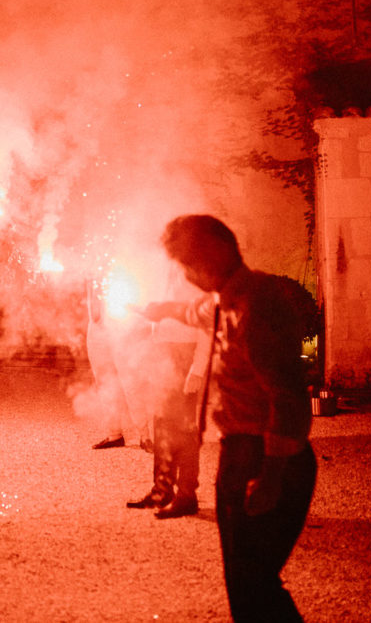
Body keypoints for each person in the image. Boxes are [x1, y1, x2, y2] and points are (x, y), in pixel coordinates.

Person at [142, 214, 316, 622]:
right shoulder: (226, 299)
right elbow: (200, 312)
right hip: (239, 452)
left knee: (253, 580)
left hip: (265, 456)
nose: (185, 274)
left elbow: (287, 396)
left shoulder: (258, 304)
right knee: (243, 580)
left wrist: (272, 473)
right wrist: (165, 309)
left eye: (187, 263)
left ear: (215, 254)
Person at [126, 305, 211, 519]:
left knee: (183, 429)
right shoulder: (166, 275)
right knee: (162, 425)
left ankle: (186, 495)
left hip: (184, 355)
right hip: (161, 353)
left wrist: (197, 369)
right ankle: (162, 490)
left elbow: (206, 326)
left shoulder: (193, 280)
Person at [85, 278, 151, 450]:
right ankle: (114, 434)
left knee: (131, 383)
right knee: (105, 383)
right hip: (96, 332)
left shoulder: (120, 260)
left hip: (122, 329)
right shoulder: (91, 269)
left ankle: (145, 436)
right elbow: (94, 311)